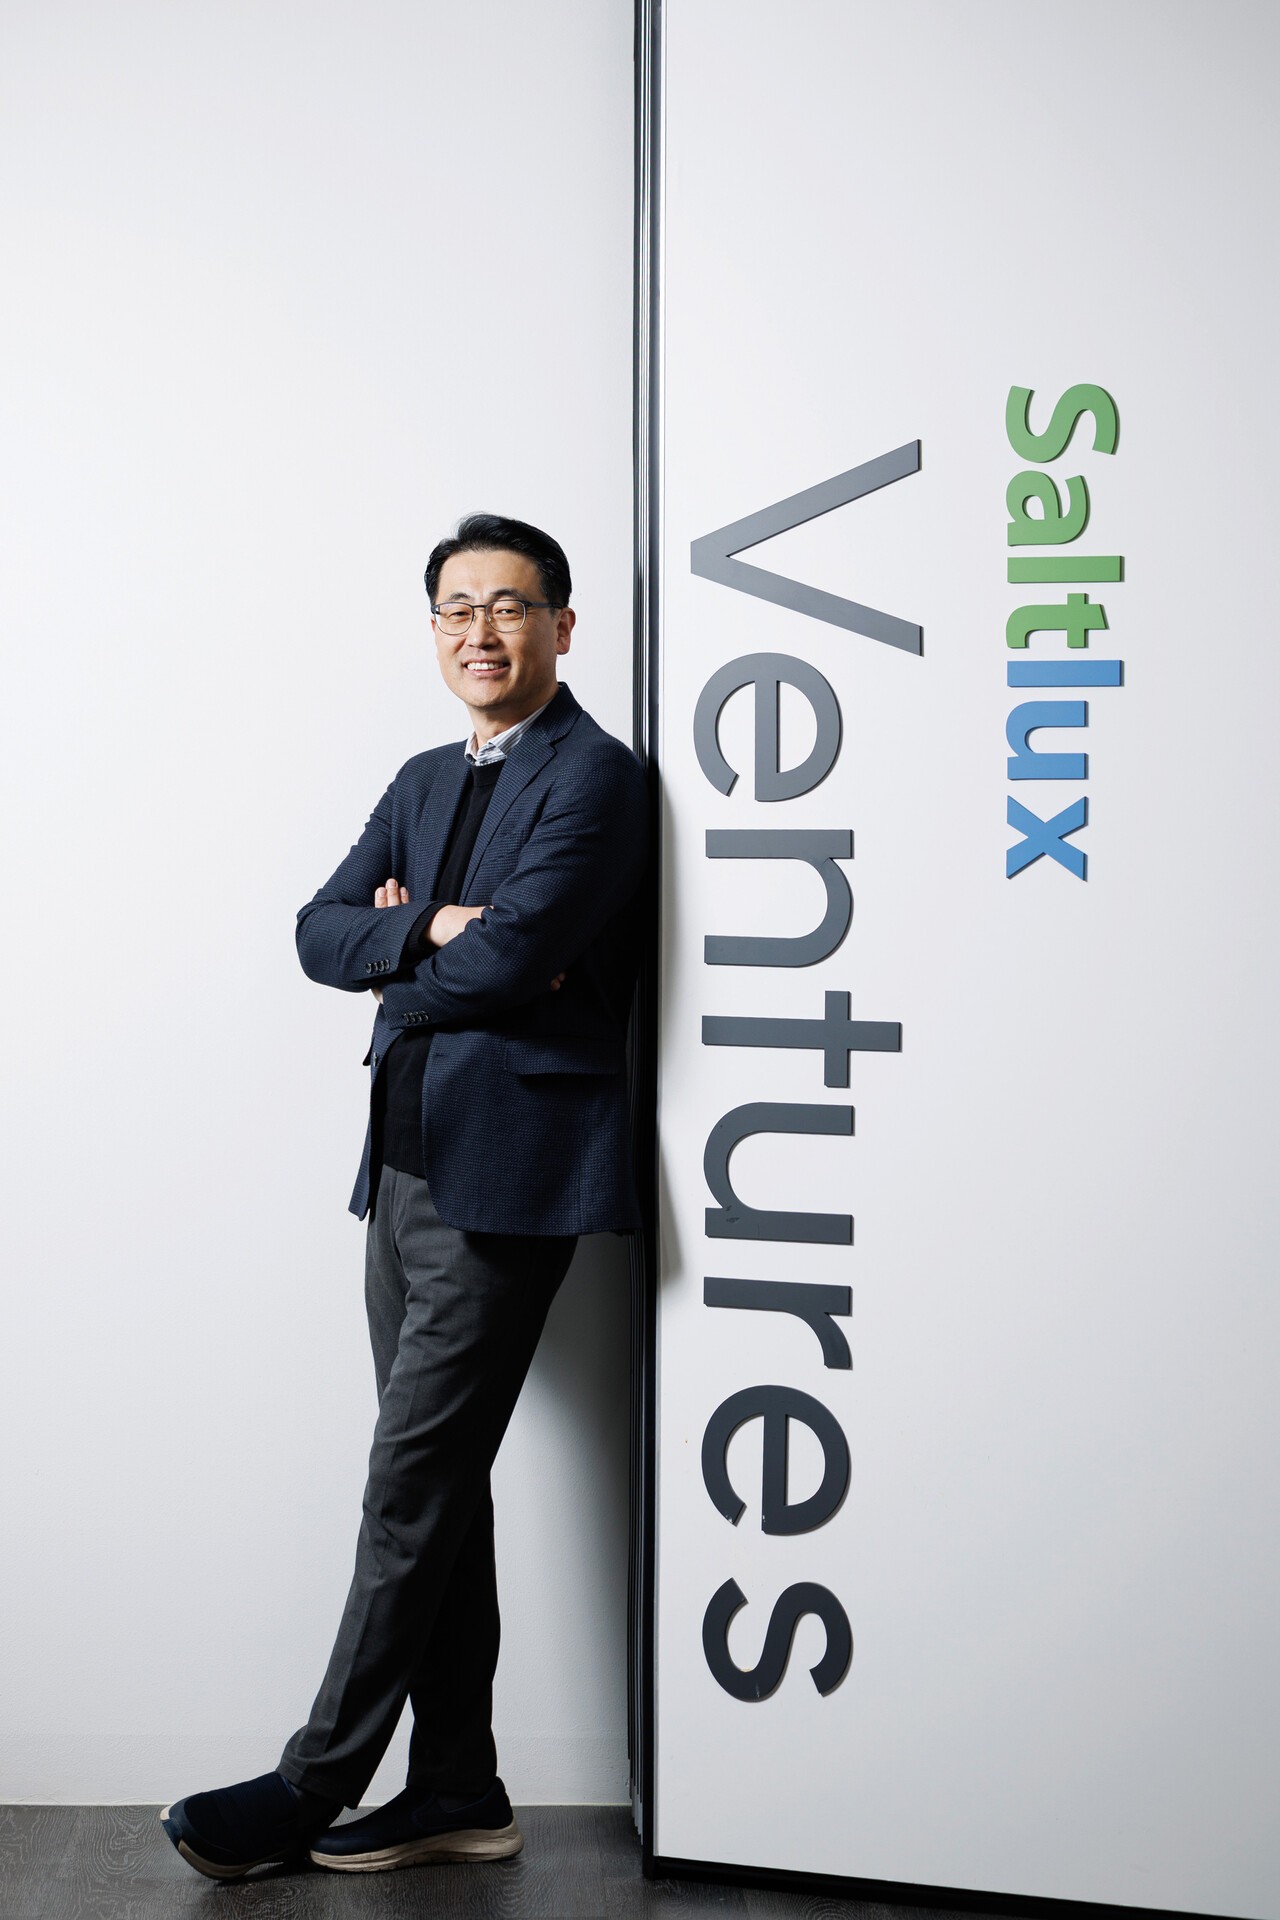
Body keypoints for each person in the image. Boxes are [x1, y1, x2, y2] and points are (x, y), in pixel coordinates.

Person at [160, 512, 649, 1880]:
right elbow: (317, 931)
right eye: (455, 609)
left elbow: (513, 963)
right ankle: (457, 1788)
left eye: (509, 606)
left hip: (511, 1176)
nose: (479, 632)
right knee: (443, 1485)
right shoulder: (424, 777)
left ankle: (311, 1784)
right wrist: (427, 928)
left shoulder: (597, 779)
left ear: (562, 625)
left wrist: (412, 963)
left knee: (409, 1483)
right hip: (404, 1162)